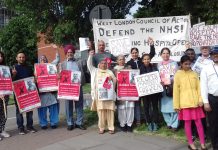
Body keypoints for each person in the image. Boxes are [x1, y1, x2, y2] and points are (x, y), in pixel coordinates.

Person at [174, 55, 207, 150]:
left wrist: (200, 100)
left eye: (189, 64)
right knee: (187, 124)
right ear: (181, 64)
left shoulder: (194, 74)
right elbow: (176, 91)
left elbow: (199, 88)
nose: (188, 66)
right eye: (185, 64)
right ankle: (191, 143)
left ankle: (202, 144)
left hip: (196, 103)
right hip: (184, 104)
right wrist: (176, 105)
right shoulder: (178, 74)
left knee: (199, 123)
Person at [127, 37, 155, 126]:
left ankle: (150, 119)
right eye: (133, 53)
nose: (135, 54)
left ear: (138, 53)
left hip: (144, 86)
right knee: (137, 103)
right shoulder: (128, 63)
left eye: (136, 52)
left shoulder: (142, 60)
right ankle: (138, 119)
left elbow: (151, 54)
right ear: (131, 54)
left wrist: (152, 45)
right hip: (134, 86)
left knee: (147, 103)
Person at [87, 50, 116, 134]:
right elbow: (89, 65)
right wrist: (90, 56)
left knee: (110, 111)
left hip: (109, 96)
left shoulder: (109, 71)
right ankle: (102, 127)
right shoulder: (95, 71)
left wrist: (112, 79)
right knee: (101, 112)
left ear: (107, 64)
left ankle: (111, 127)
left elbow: (114, 80)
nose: (103, 65)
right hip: (100, 96)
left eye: (105, 63)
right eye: (102, 63)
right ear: (99, 64)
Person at [60, 44, 86, 131]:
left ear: (74, 53)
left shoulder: (79, 62)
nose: (69, 53)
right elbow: (60, 75)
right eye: (68, 52)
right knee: (68, 106)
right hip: (67, 88)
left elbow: (87, 64)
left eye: (71, 52)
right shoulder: (62, 64)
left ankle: (79, 122)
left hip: (78, 87)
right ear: (65, 53)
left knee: (79, 105)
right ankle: (70, 123)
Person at [12, 51, 37, 135]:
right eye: (20, 57)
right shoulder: (13, 68)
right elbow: (10, 80)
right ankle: (21, 128)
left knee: (30, 110)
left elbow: (32, 78)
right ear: (16, 58)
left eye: (23, 57)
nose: (21, 59)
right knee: (19, 111)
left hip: (29, 92)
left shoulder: (29, 68)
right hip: (18, 93)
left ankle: (30, 126)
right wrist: (14, 75)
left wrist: (34, 79)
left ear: (25, 58)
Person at [37, 47, 60, 129]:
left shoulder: (51, 66)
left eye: (44, 58)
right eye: (41, 59)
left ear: (47, 60)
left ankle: (53, 122)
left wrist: (56, 50)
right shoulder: (36, 69)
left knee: (53, 108)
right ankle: (43, 124)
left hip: (51, 92)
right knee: (42, 110)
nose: (43, 60)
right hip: (42, 93)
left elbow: (57, 59)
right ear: (39, 61)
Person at [200, 45, 218, 150]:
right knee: (213, 123)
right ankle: (215, 145)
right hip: (212, 99)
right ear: (211, 55)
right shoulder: (206, 68)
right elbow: (203, 86)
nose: (216, 56)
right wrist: (205, 102)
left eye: (217, 54)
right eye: (214, 54)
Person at [157, 47, 179, 131]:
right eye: (164, 53)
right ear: (161, 55)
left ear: (169, 54)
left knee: (174, 107)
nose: (165, 55)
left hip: (172, 87)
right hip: (163, 88)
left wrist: (170, 80)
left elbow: (176, 75)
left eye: (167, 53)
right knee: (164, 107)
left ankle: (174, 124)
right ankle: (168, 123)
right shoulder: (159, 64)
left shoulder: (174, 63)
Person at [140, 53, 160, 132]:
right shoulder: (140, 69)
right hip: (145, 93)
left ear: (150, 60)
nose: (146, 60)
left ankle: (155, 122)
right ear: (142, 60)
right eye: (145, 59)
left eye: (148, 59)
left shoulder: (154, 67)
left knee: (155, 108)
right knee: (146, 108)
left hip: (154, 92)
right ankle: (148, 122)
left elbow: (157, 77)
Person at [114, 55, 134, 132]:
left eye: (123, 59)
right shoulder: (114, 70)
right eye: (120, 59)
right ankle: (122, 124)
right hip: (120, 92)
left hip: (129, 91)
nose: (121, 61)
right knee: (121, 108)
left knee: (130, 107)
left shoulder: (129, 68)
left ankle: (129, 124)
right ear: (117, 61)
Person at [0, 51, 11, 140]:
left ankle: (2, 130)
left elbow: (8, 81)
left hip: (5, 94)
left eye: (1, 56)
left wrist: (13, 74)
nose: (0, 58)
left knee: (4, 113)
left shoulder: (6, 68)